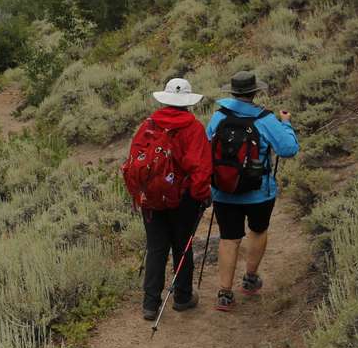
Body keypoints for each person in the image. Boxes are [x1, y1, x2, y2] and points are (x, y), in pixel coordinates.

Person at [207, 70, 299, 312]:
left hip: (224, 191)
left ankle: (224, 293)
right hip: (259, 192)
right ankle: (249, 278)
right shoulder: (265, 119)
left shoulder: (218, 117)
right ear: (255, 92)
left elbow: (207, 147)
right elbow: (288, 149)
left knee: (229, 237)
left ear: (233, 92)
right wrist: (286, 124)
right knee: (257, 230)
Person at [128, 78, 212, 321]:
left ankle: (150, 304)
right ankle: (182, 297)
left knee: (156, 248)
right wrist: (201, 196)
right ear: (187, 102)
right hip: (182, 199)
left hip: (151, 198)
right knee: (181, 246)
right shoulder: (193, 128)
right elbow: (200, 169)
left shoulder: (148, 125)